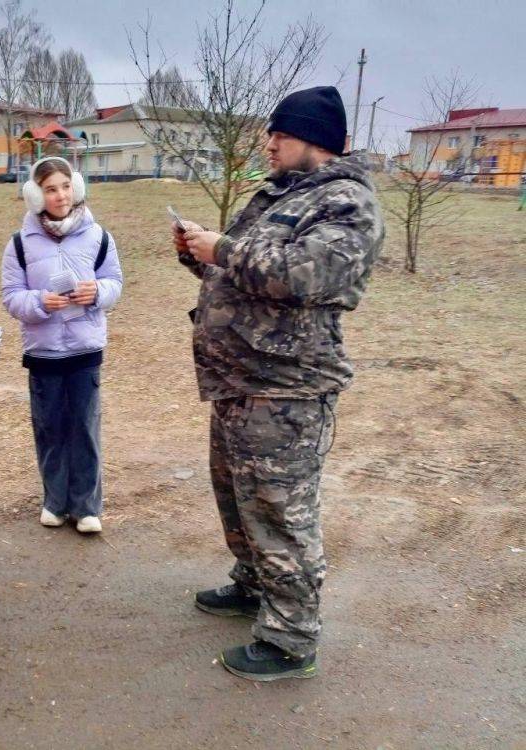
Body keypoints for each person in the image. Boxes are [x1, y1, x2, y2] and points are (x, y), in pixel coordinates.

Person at [172, 86, 385, 681]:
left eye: (279, 135)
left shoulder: (347, 203)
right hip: (240, 378)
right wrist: (200, 253)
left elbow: (304, 274)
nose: (268, 144)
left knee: (280, 511)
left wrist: (225, 249)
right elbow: (246, 266)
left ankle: (291, 637)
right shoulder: (281, 193)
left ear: (312, 139)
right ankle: (252, 585)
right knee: (237, 498)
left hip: (287, 388)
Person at [1, 156, 123, 534]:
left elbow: (115, 283)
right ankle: (55, 502)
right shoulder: (19, 244)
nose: (60, 195)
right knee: (50, 429)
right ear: (36, 195)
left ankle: (87, 507)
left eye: (66, 186)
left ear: (77, 187)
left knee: (85, 429)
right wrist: (39, 303)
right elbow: (11, 296)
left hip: (85, 349)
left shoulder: (99, 236)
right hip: (43, 352)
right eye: (51, 189)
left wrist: (97, 292)